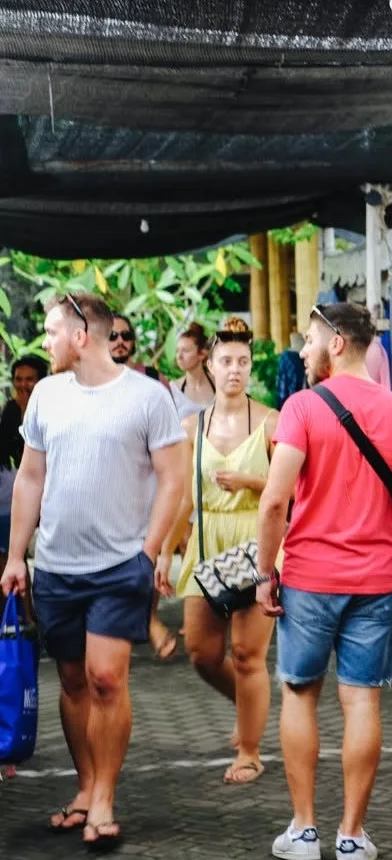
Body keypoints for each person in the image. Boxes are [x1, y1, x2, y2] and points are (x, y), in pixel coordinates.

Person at [0, 293, 186, 848]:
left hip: (118, 566)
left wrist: (148, 553)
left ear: (82, 336)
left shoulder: (148, 398)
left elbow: (172, 480)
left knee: (107, 678)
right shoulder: (47, 397)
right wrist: (16, 556)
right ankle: (85, 788)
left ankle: (105, 794)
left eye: (53, 332)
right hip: (56, 566)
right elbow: (31, 477)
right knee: (75, 681)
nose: (46, 343)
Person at [256, 302, 392, 860]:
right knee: (362, 704)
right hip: (377, 580)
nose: (302, 350)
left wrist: (263, 573)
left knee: (300, 694)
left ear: (336, 343)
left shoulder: (301, 407)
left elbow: (276, 498)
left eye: (308, 339)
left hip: (308, 577)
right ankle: (351, 835)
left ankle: (304, 831)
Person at [155, 317, 279, 784]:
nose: (235, 370)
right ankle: (249, 704)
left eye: (243, 362)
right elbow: (185, 497)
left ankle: (250, 750)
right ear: (210, 362)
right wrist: (166, 550)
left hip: (256, 543)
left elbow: (291, 490)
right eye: (226, 361)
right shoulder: (192, 425)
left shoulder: (272, 420)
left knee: (249, 656)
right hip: (207, 545)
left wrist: (250, 480)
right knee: (202, 653)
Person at [0, 355, 49, 566]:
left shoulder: (52, 409)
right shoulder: (10, 410)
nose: (23, 384)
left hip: (48, 494)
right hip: (19, 495)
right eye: (18, 379)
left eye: (29, 379)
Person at [169, 322, 215, 419]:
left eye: (185, 351)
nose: (179, 356)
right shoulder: (173, 390)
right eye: (177, 351)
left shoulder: (219, 385)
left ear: (202, 354)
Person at [110, 314, 168, 385]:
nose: (120, 341)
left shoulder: (153, 377)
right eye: (112, 335)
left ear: (132, 340)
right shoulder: (94, 382)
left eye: (126, 335)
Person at [276, 332, 306, 408]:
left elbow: (282, 379)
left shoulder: (286, 356)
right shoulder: (287, 356)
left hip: (294, 395)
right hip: (297, 395)